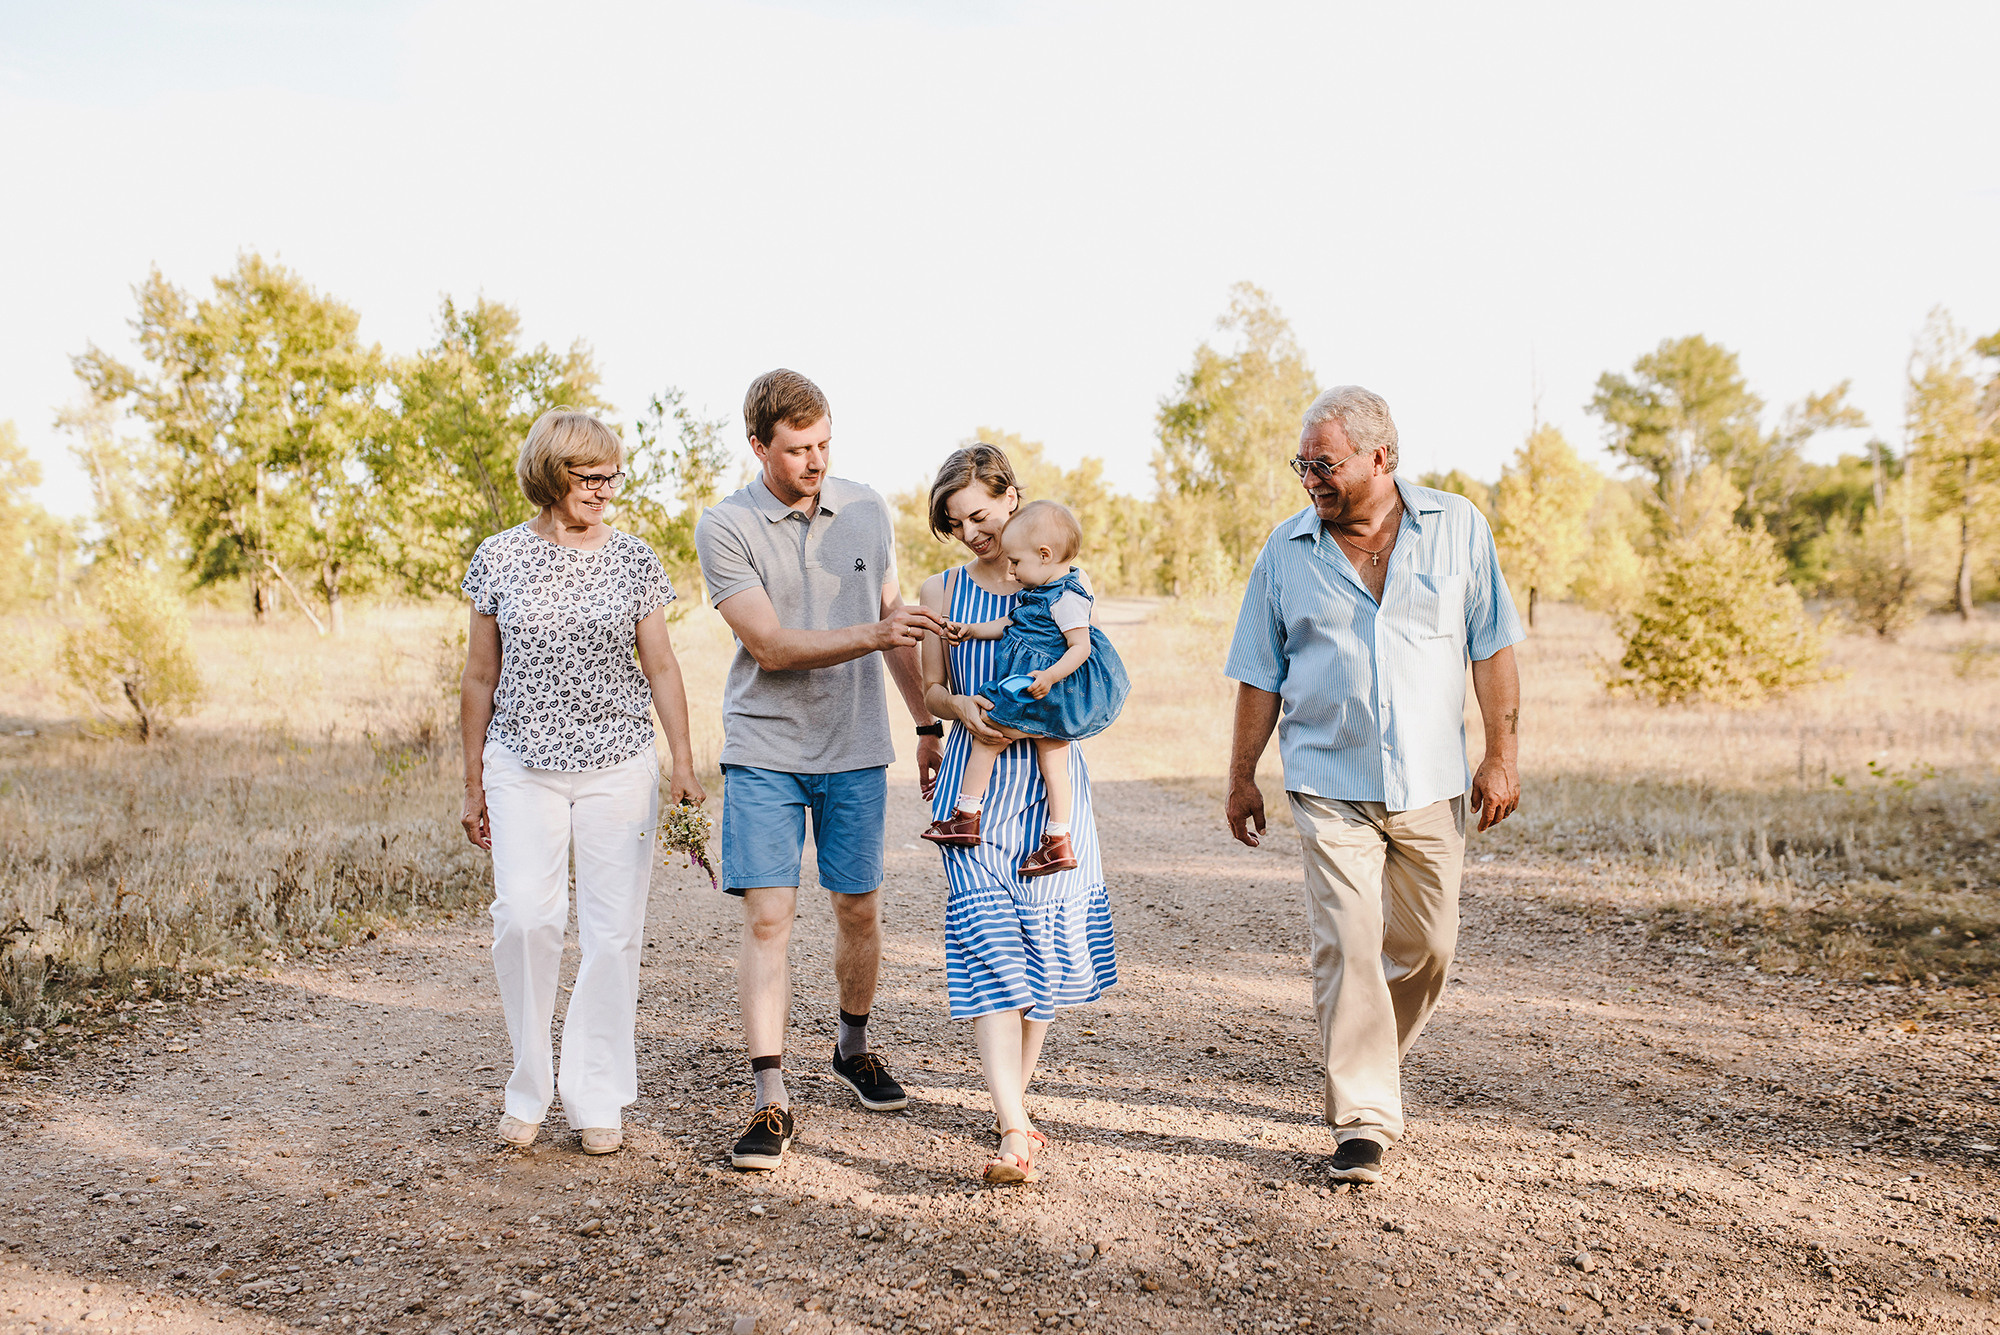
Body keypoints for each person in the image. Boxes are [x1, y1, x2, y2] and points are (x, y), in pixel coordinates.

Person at [1223, 385, 1523, 1185]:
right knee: (1349, 945)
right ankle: (1362, 1116)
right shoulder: (1286, 553)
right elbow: (1259, 673)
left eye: (1323, 463)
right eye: (1302, 464)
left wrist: (1502, 753)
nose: (1309, 478)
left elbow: (1491, 648)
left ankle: (1370, 1059)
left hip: (1431, 783)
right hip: (1328, 782)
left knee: (1429, 946)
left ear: (1379, 457)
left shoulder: (1458, 528)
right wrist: (1241, 776)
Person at [693, 369, 947, 1172]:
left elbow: (893, 621)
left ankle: (852, 1046)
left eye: (824, 443)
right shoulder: (725, 525)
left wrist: (926, 723)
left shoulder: (867, 506)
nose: (814, 460)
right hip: (766, 746)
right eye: (797, 448)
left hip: (855, 746)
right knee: (770, 918)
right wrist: (874, 637)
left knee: (858, 911)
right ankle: (771, 1100)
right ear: (759, 445)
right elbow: (768, 645)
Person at [459, 408, 705, 1156]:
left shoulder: (633, 558)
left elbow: (661, 665)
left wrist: (684, 759)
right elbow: (477, 676)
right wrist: (470, 781)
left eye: (610, 475)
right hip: (520, 761)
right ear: (549, 474)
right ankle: (528, 1083)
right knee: (525, 918)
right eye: (587, 475)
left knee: (611, 932)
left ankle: (596, 1091)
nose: (604, 488)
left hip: (618, 761)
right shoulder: (498, 557)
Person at [917, 445, 1119, 1184]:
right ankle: (1011, 1124)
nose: (970, 531)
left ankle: (1017, 1108)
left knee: (1043, 964)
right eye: (954, 522)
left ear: (1011, 499)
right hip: (972, 802)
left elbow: (1088, 676)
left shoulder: (1061, 581)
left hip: (1046, 801)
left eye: (979, 514)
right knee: (991, 952)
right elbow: (932, 689)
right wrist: (958, 709)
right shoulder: (939, 591)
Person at [922, 499, 1129, 878]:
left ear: (1045, 555)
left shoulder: (1068, 598)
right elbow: (1007, 624)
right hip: (1046, 697)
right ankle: (1058, 839)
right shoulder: (1038, 594)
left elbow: (1081, 647)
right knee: (1055, 764)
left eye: (1017, 562)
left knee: (989, 736)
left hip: (1041, 694)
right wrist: (970, 630)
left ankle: (967, 817)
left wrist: (1048, 676)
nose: (1012, 570)